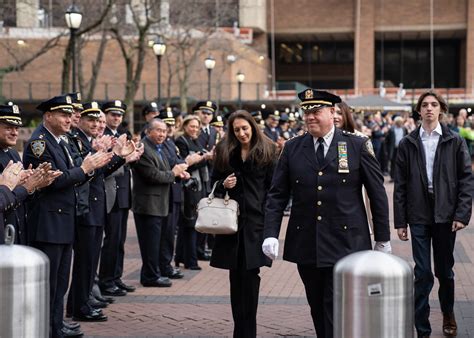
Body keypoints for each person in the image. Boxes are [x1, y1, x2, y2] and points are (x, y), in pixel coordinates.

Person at [262, 89, 391, 338]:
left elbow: (377, 194)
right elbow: (277, 194)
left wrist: (383, 238)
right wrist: (270, 233)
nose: (309, 117)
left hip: (346, 241)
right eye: (306, 112)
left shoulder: (357, 144)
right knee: (317, 303)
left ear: (333, 113)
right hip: (307, 241)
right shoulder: (292, 148)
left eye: (315, 111)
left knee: (335, 304)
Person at [23, 94, 111, 338]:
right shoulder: (39, 143)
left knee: (61, 281)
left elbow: (71, 175)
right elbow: (53, 181)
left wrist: (87, 167)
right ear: (48, 116)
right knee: (50, 282)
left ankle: (57, 324)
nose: (68, 118)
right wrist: (84, 168)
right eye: (63, 114)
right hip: (49, 221)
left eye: (68, 114)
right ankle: (50, 328)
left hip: (64, 219)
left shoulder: (59, 141)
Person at [394, 91, 473, 338]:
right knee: (423, 272)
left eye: (434, 104)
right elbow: (400, 184)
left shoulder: (454, 140)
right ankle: (422, 326)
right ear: (419, 111)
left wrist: (461, 214)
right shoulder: (408, 143)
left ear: (441, 109)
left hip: (445, 214)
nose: (429, 108)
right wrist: (400, 221)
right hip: (418, 212)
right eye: (425, 105)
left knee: (445, 271)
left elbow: (466, 179)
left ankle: (448, 313)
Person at [211, 110, 276, 337]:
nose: (241, 133)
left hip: (256, 224)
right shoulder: (225, 151)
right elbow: (212, 184)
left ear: (253, 127)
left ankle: (247, 331)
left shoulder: (267, 150)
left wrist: (270, 223)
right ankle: (240, 329)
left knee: (250, 277)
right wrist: (223, 185)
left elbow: (274, 190)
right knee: (234, 278)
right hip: (230, 225)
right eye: (236, 130)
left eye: (244, 128)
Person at [132, 119, 188, 287]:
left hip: (160, 204)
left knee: (157, 243)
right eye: (158, 131)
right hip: (148, 206)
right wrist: (174, 173)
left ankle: (154, 273)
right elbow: (153, 175)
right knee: (150, 244)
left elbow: (165, 168)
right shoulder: (143, 148)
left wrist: (178, 172)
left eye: (164, 131)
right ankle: (150, 277)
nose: (162, 134)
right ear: (148, 131)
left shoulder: (159, 147)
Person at [99, 100, 138, 296]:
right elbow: (104, 166)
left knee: (120, 239)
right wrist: (125, 159)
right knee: (111, 239)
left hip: (123, 191)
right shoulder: (102, 136)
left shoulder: (123, 135)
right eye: (112, 114)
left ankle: (116, 277)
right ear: (105, 115)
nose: (116, 118)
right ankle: (106, 280)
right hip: (109, 192)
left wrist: (132, 157)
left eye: (119, 115)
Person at [174, 115, 211, 270]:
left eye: (197, 127)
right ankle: (190, 260)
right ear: (184, 126)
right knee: (190, 223)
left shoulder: (197, 140)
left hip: (200, 186)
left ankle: (182, 256)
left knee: (190, 224)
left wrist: (205, 158)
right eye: (192, 126)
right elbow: (185, 165)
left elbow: (200, 158)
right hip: (189, 187)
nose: (194, 129)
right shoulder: (181, 141)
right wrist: (201, 158)